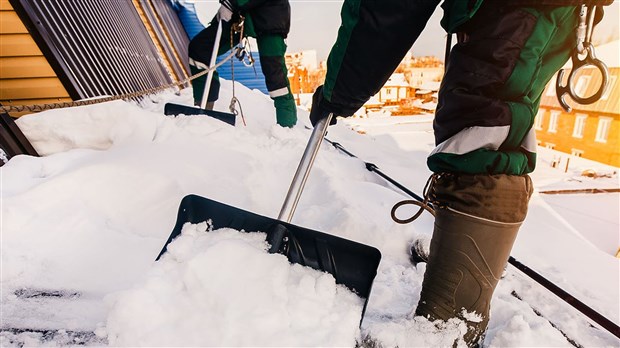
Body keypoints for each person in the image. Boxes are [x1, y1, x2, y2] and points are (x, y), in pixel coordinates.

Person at [309, 0, 612, 345]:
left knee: (484, 133)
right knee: (481, 126)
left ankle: (449, 327)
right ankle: (453, 266)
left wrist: (339, 91)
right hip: (520, 13)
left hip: (517, 12)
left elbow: (383, 10)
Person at [188, 0, 297, 127]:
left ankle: (287, 125)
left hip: (270, 15)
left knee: (275, 75)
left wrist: (230, 3)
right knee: (200, 49)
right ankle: (204, 108)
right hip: (243, 13)